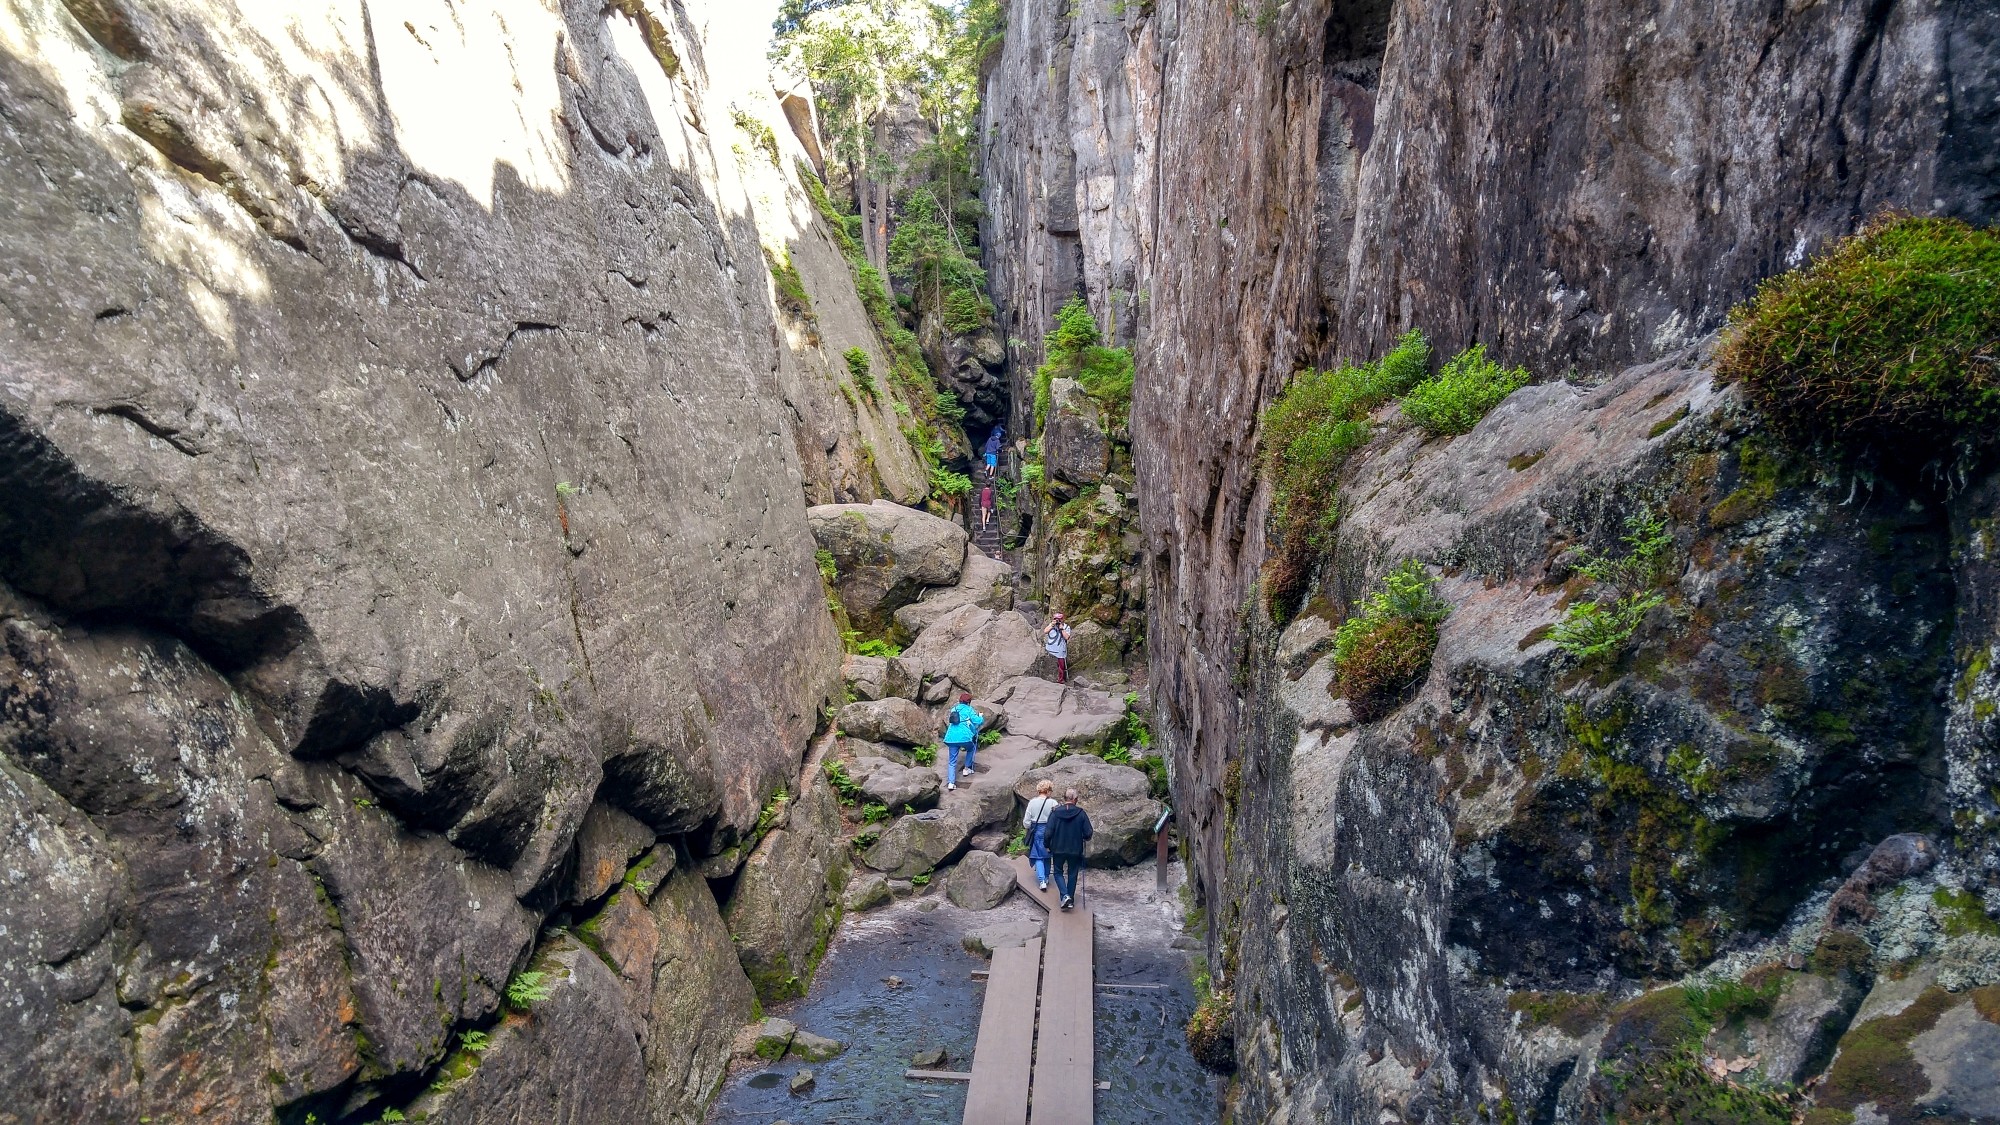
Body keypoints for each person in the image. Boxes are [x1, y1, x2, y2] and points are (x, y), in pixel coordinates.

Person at [1044, 787, 1093, 909]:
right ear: (1075, 799)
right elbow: (1088, 832)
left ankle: (1065, 896)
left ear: (1064, 798)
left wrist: (1047, 845)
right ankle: (1069, 899)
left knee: (1057, 872)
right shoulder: (1081, 813)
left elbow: (1048, 832)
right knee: (1072, 873)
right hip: (1075, 849)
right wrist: (1085, 837)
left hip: (1058, 848)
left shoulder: (1055, 812)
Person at [942, 691, 984, 791]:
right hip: (964, 737)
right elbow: (977, 721)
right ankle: (967, 768)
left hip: (951, 738)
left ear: (960, 701)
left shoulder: (954, 709)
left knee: (952, 762)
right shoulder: (969, 710)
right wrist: (981, 716)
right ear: (969, 702)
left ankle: (951, 783)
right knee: (971, 748)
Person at [1023, 779, 1058, 890]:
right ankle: (1047, 877)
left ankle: (1042, 880)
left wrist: (1028, 827)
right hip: (1050, 831)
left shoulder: (1032, 802)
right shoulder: (1053, 803)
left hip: (1036, 830)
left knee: (1038, 855)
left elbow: (1026, 821)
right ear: (1048, 791)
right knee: (1047, 855)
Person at [1043, 612, 1073, 684]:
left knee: (1061, 666)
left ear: (1062, 619)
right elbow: (1045, 631)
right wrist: (1052, 625)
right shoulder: (1051, 625)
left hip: (1060, 650)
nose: (1057, 621)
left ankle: (1061, 680)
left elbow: (1067, 637)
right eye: (1056, 619)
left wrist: (1061, 629)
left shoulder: (1066, 627)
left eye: (1059, 619)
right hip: (1050, 649)